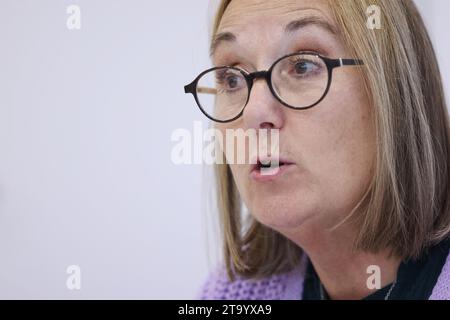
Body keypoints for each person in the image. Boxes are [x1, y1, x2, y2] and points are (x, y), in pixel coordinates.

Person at [184, 0, 450, 300]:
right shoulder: (233, 295)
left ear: (395, 89)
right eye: (232, 78)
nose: (253, 111)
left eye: (302, 65)